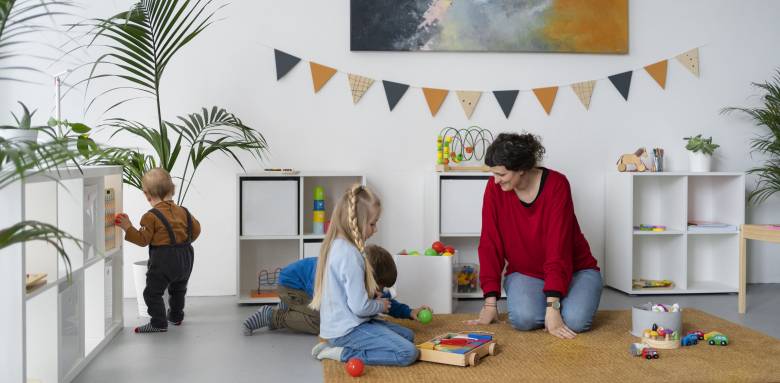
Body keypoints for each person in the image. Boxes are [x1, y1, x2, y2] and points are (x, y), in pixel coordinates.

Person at [469, 133, 602, 340]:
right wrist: (490, 303)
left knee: (575, 321)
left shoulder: (557, 184)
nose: (495, 180)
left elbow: (558, 247)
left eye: (501, 174)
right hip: (526, 273)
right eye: (493, 174)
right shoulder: (495, 189)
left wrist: (553, 304)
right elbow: (490, 243)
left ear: (521, 169)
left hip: (576, 270)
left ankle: (558, 298)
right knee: (524, 319)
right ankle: (552, 301)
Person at [308, 184, 419, 366]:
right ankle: (342, 352)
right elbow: (360, 307)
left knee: (408, 335)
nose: (375, 229)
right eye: (372, 224)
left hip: (346, 325)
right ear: (356, 222)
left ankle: (341, 346)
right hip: (347, 331)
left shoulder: (338, 245)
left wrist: (371, 297)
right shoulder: (350, 255)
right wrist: (380, 305)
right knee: (407, 352)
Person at [242, 244, 430, 335]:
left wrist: (409, 312)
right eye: (379, 286)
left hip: (302, 286)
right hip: (292, 286)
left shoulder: (364, 279)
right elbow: (323, 301)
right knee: (324, 322)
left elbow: (386, 302)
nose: (380, 291)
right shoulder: (336, 276)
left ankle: (292, 307)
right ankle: (273, 316)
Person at [117, 168, 201, 333]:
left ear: (147, 195)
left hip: (164, 259)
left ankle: (158, 323)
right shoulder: (184, 212)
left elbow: (142, 240)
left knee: (152, 293)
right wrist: (183, 242)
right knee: (178, 289)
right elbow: (196, 230)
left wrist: (128, 227)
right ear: (173, 189)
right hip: (186, 257)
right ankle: (176, 317)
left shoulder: (151, 216)